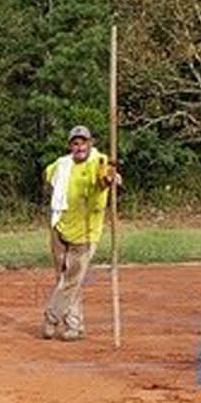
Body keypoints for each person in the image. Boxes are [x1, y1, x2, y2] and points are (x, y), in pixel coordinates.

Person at [41, 126, 121, 341]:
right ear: (70, 146)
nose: (80, 147)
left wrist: (110, 179)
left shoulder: (99, 161)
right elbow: (48, 175)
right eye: (75, 143)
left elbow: (105, 177)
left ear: (90, 143)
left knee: (71, 280)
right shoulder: (62, 164)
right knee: (63, 279)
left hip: (86, 233)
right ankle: (74, 326)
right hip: (60, 226)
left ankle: (51, 316)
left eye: (83, 142)